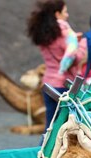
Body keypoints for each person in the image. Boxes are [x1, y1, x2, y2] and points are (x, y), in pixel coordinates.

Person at [27, 0, 87, 133]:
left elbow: (58, 50)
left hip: (48, 83)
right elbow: (73, 58)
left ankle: (42, 151)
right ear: (57, 13)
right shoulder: (64, 30)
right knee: (66, 128)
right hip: (63, 84)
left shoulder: (43, 32)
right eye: (65, 12)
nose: (67, 15)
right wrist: (82, 44)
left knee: (50, 126)